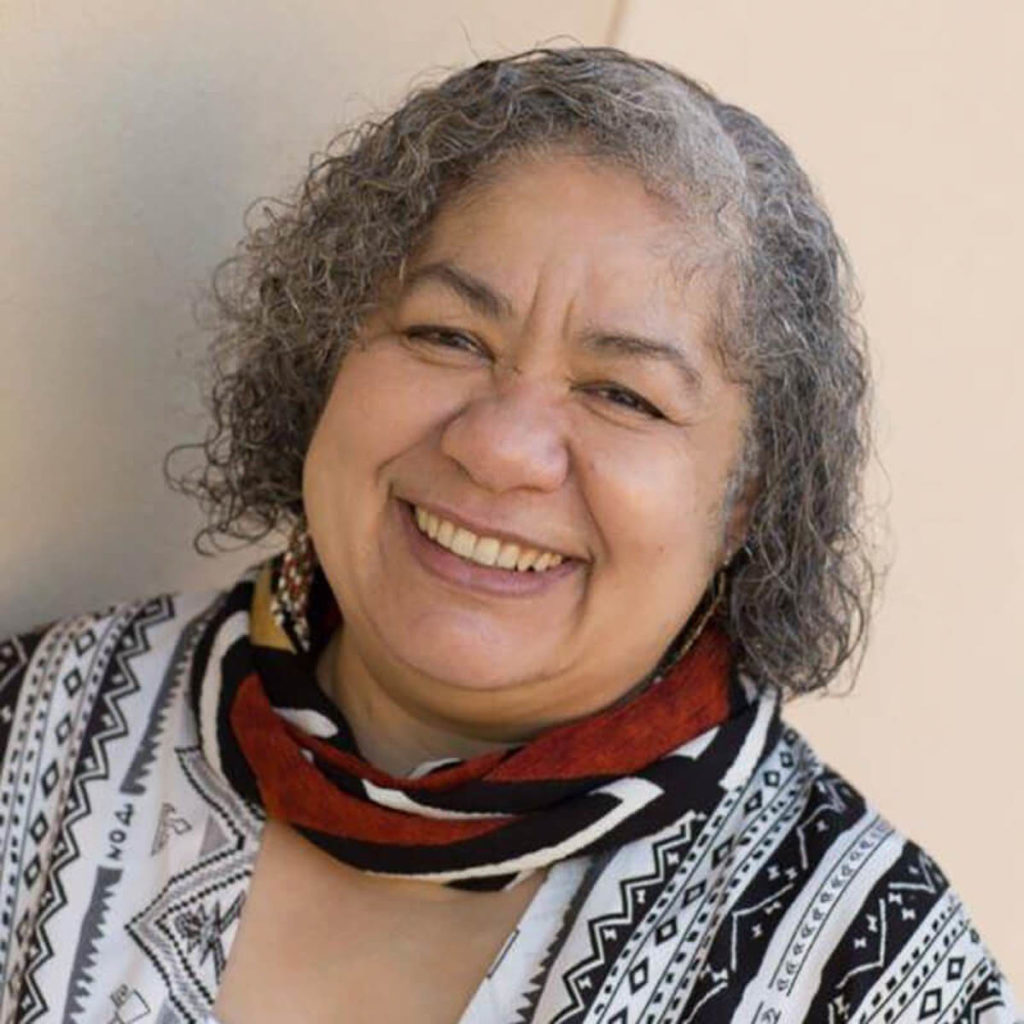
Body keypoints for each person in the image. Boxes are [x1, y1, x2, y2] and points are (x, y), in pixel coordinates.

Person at [0, 47, 1016, 1024]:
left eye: (623, 393)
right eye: (447, 336)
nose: (499, 448)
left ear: (748, 499)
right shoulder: (25, 738)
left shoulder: (871, 978)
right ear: (329, 351)